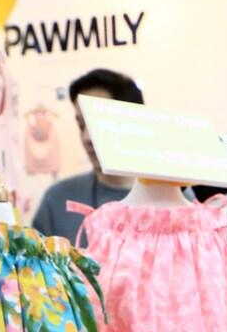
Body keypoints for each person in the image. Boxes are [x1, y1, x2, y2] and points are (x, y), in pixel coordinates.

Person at [30, 69, 143, 245]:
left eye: (98, 123)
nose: (87, 138)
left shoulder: (174, 201)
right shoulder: (59, 200)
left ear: (132, 122)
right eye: (82, 125)